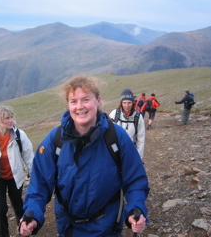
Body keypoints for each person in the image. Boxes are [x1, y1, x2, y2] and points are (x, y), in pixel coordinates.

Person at [20, 76, 150, 237]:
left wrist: (135, 207)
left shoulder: (116, 137)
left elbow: (135, 180)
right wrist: (32, 213)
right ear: (68, 105)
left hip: (106, 227)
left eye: (86, 99)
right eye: (73, 101)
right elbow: (39, 185)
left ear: (98, 101)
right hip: (68, 227)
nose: (79, 107)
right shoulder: (55, 140)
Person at [0, 105, 34, 237]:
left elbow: (28, 155)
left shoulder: (19, 135)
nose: (11, 120)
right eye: (6, 118)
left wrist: (33, 174)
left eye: (11, 117)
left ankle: (23, 230)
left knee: (18, 206)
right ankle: (3, 234)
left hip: (15, 177)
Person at [109, 88, 146, 159]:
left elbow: (141, 138)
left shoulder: (138, 117)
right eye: (124, 103)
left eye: (129, 103)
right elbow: (108, 133)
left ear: (133, 103)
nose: (126, 105)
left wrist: (139, 158)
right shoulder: (115, 114)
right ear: (121, 103)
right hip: (115, 151)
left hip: (131, 151)